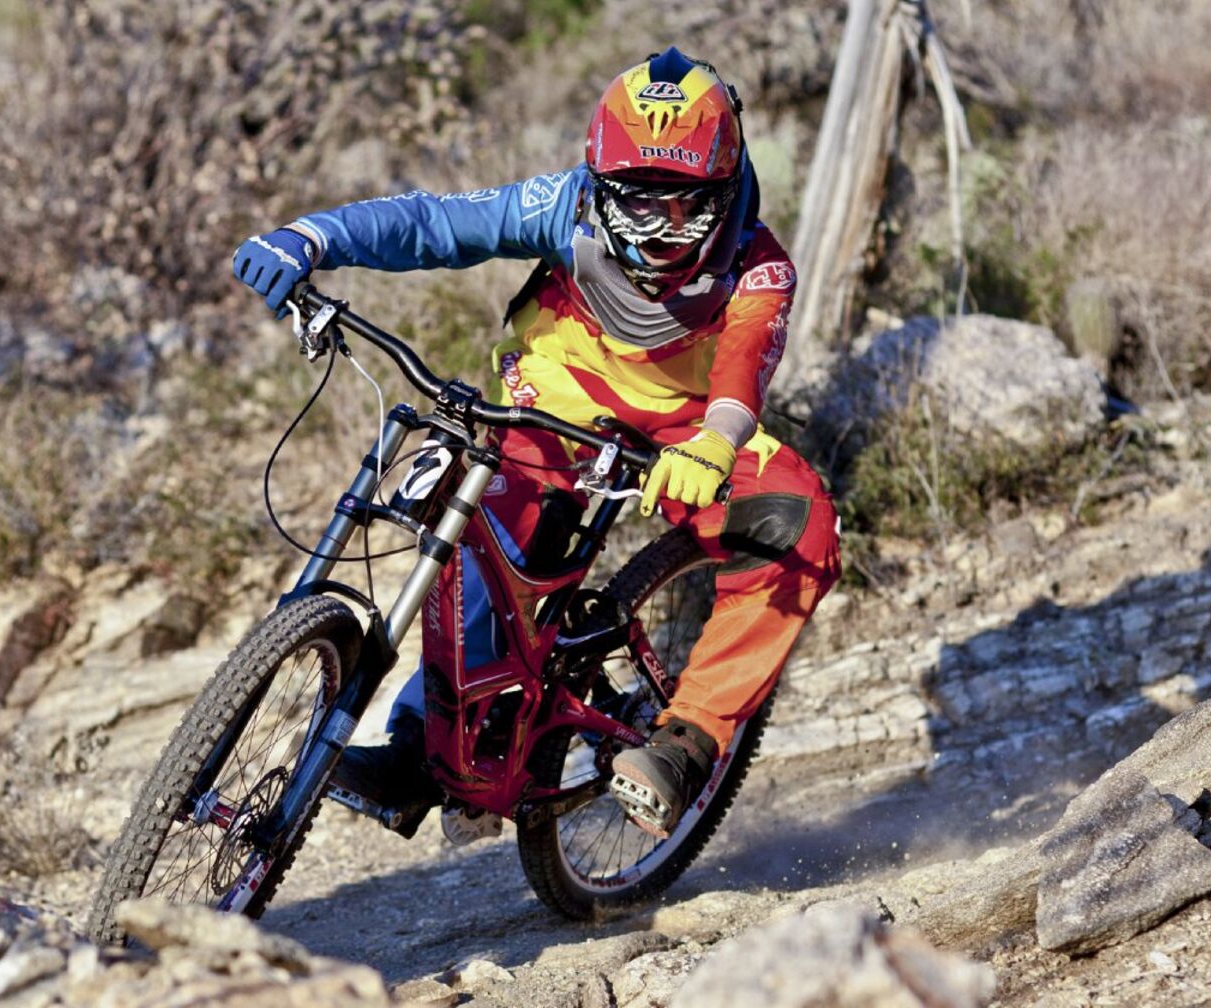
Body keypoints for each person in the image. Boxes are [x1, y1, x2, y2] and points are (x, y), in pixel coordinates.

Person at [232, 48, 841, 837]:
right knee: (472, 518)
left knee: (804, 525)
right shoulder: (563, 206)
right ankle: (423, 743)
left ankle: (689, 740)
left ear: (727, 188)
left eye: (688, 204)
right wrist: (311, 238)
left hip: (693, 431)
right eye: (639, 203)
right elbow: (436, 225)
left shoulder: (759, 269)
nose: (663, 229)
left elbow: (742, 374)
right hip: (561, 396)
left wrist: (716, 446)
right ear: (599, 186)